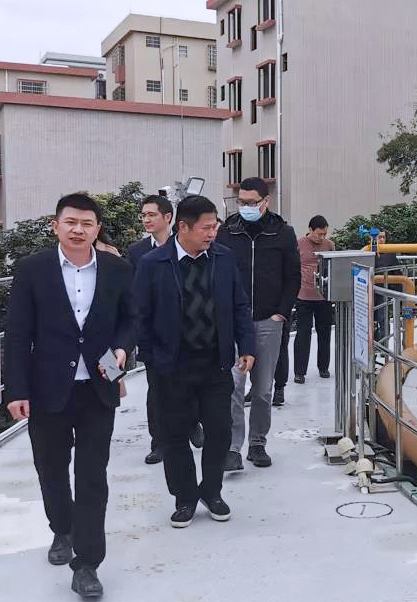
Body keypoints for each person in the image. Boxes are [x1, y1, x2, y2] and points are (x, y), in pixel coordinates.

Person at [3, 193, 135, 600]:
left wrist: (121, 349)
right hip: (47, 389)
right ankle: (62, 528)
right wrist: (16, 390)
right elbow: (17, 333)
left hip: (98, 387)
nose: (78, 230)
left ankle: (88, 563)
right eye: (71, 222)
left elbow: (131, 319)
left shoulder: (117, 269)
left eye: (87, 223)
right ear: (56, 225)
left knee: (93, 475)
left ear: (97, 229)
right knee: (51, 467)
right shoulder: (32, 269)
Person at [133, 195, 256, 527]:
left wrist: (246, 346)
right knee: (174, 436)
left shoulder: (223, 258)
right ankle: (185, 498)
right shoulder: (153, 263)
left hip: (215, 363)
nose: (212, 233)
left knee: (219, 431)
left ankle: (211, 492)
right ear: (183, 227)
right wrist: (152, 359)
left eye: (215, 226)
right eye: (206, 227)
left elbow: (240, 305)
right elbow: (140, 316)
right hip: (171, 367)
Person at [216, 177, 300, 470]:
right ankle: (232, 447)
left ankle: (257, 443)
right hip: (234, 323)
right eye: (241, 202)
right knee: (234, 387)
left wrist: (281, 313)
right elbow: (218, 273)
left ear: (266, 201)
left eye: (252, 202)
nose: (246, 207)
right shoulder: (227, 231)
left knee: (263, 390)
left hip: (268, 321)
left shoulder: (282, 233)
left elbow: (293, 276)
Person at [128, 195, 205, 462]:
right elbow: (134, 295)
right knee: (157, 390)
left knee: (191, 384)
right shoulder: (137, 252)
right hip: (155, 334)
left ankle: (192, 422)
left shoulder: (187, 245)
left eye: (151, 215)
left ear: (168, 217)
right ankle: (159, 441)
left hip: (190, 330)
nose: (146, 220)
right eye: (143, 216)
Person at [293, 215, 335, 382]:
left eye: (324, 234)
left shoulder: (329, 245)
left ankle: (323, 367)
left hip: (324, 297)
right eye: (319, 234)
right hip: (304, 296)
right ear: (310, 230)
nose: (321, 237)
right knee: (303, 334)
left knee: (324, 333)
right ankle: (299, 372)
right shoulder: (299, 244)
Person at [373, 229, 401, 343]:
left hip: (383, 290)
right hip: (368, 290)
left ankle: (384, 346)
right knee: (369, 319)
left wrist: (400, 292)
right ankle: (372, 345)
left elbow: (397, 272)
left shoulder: (390, 253)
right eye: (379, 237)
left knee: (383, 318)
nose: (382, 240)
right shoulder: (368, 251)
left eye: (383, 237)